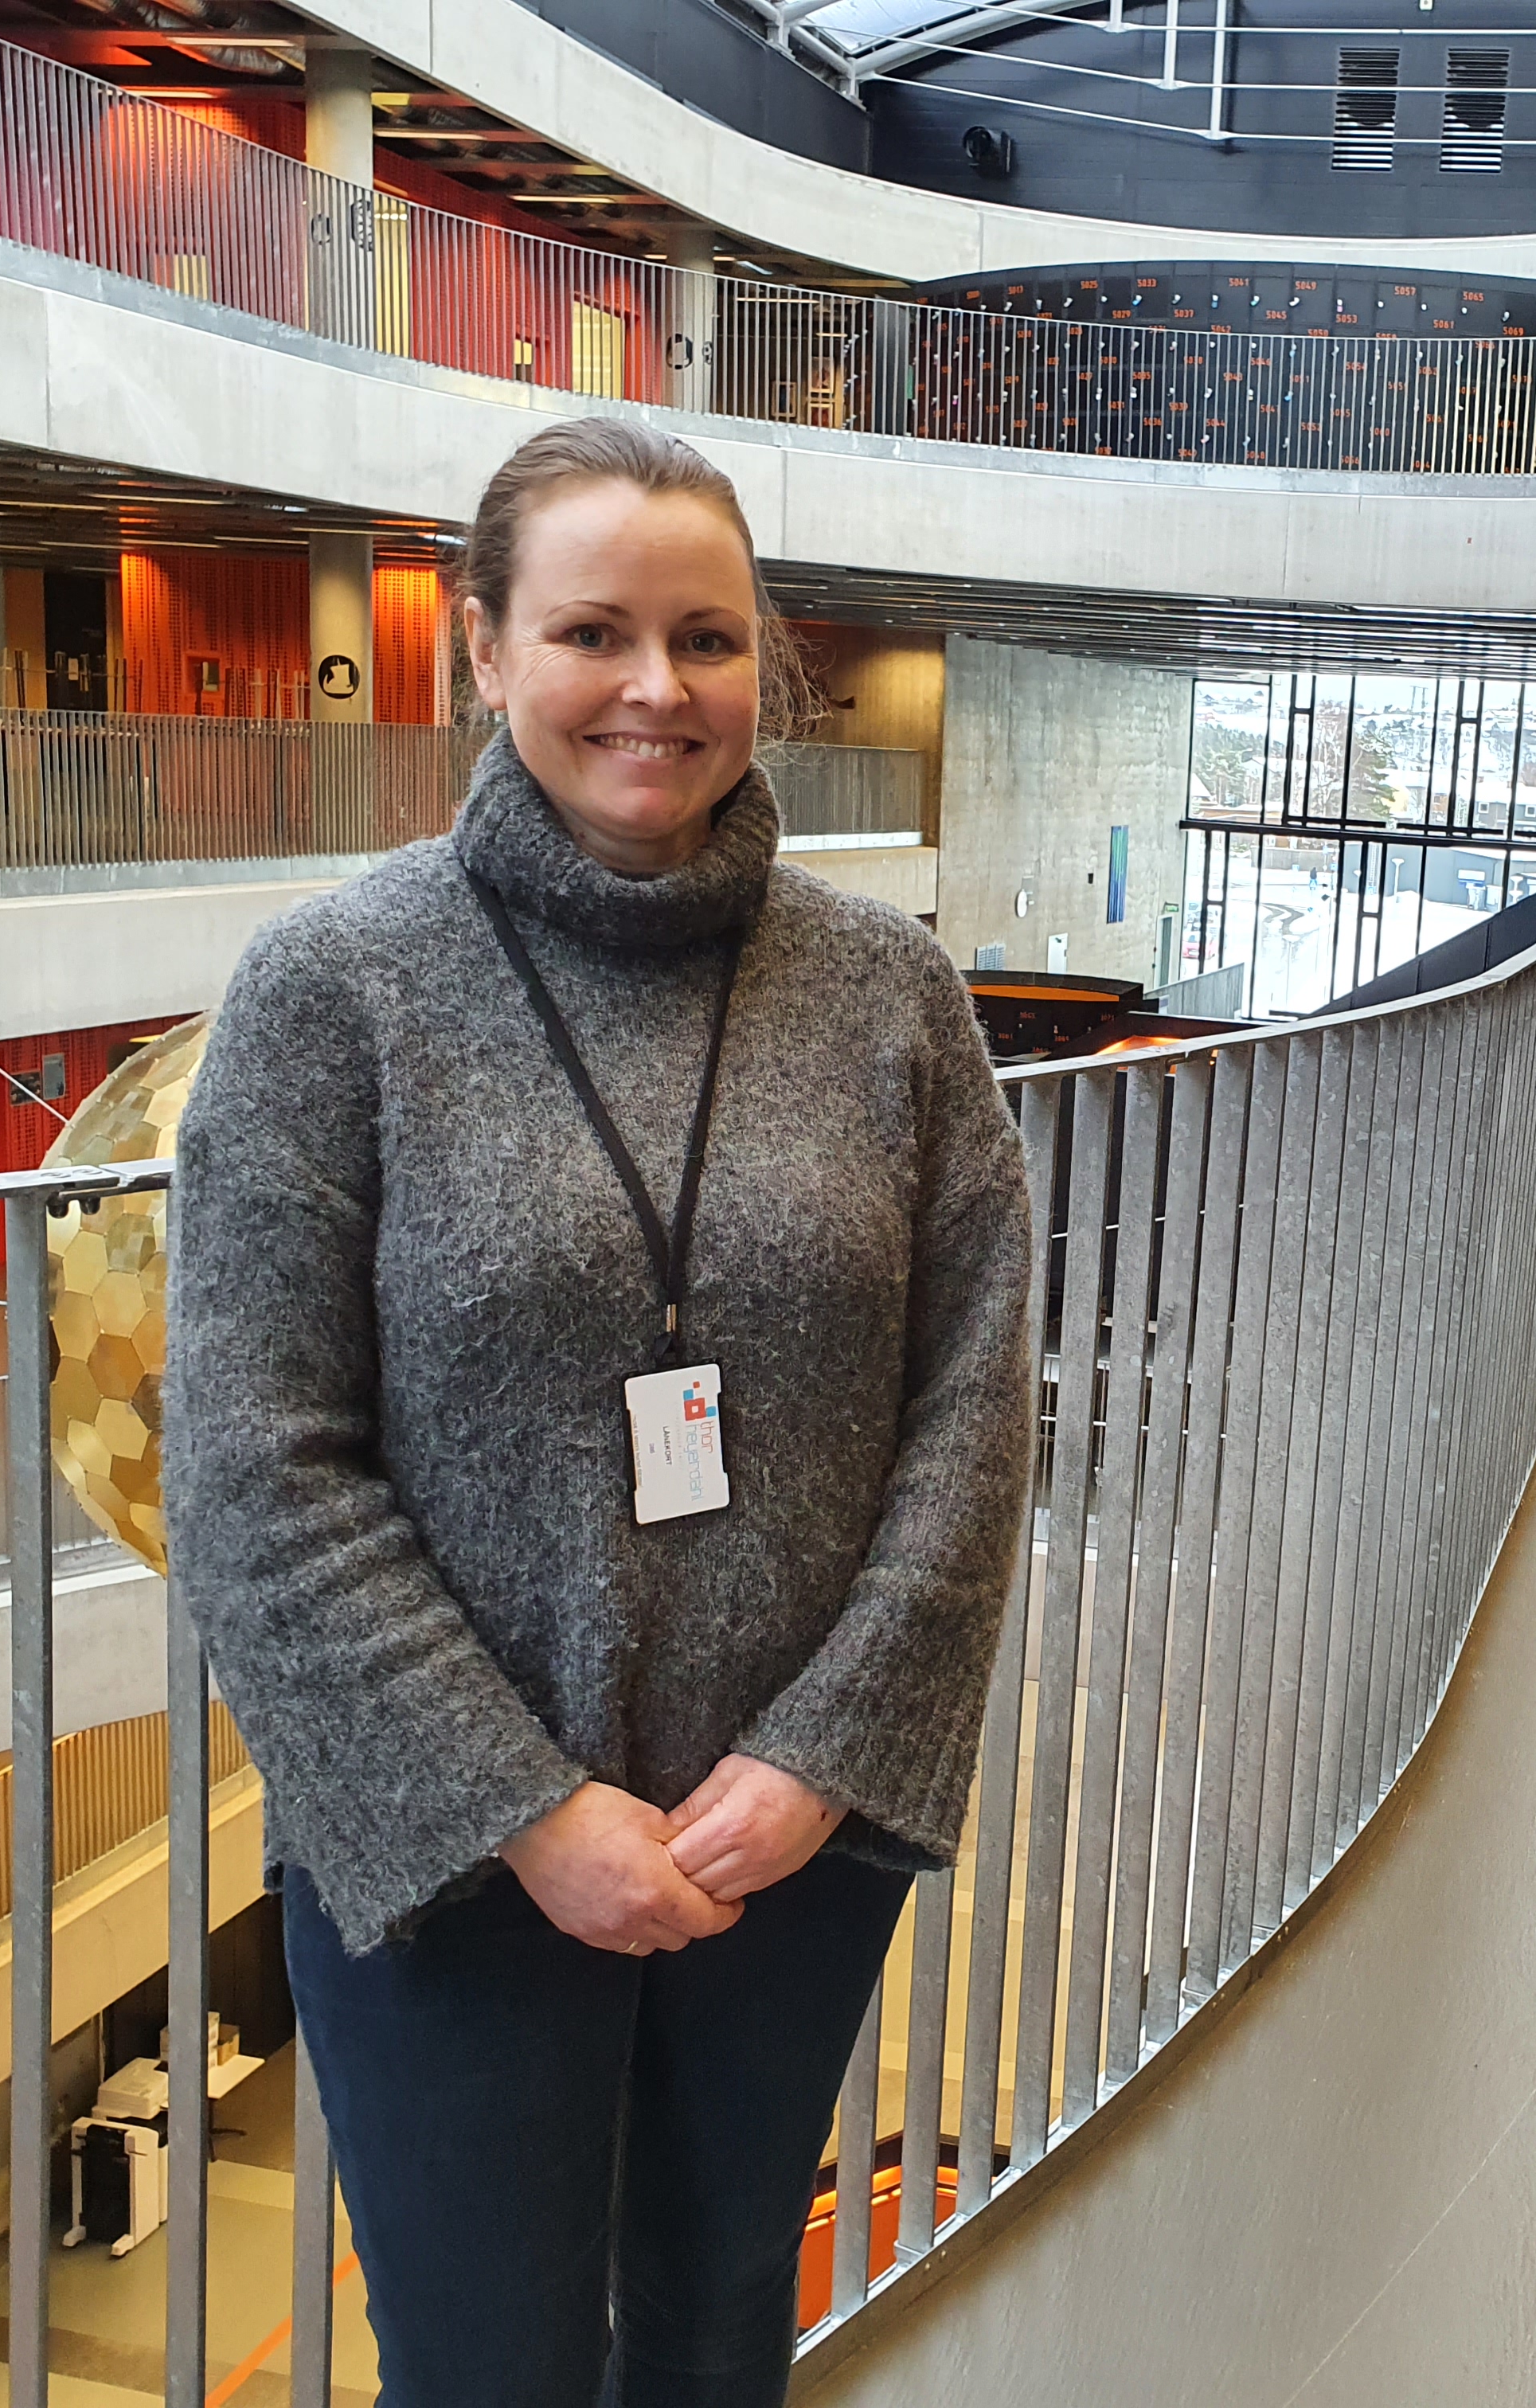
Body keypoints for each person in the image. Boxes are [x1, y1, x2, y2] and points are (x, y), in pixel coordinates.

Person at [169, 417, 1033, 2406]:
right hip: (454, 1856)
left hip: (781, 1847)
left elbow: (972, 1403)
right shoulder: (335, 990)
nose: (659, 688)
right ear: (482, 648)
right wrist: (523, 1810)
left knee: (721, 2335)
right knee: (490, 2369)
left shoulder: (887, 994)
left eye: (708, 639)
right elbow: (255, 1464)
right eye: (592, 633)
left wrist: (823, 1759)